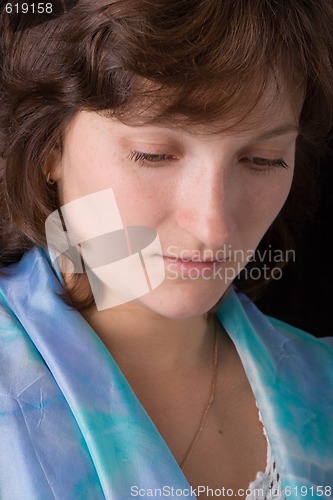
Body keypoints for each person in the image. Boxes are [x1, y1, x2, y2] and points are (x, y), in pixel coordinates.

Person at [0, 1, 333, 499]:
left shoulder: (322, 385)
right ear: (49, 147)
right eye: (154, 155)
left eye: (262, 160)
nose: (214, 225)